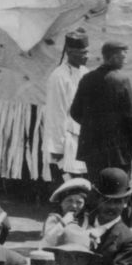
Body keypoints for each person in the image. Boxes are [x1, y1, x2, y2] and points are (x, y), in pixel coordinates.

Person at [70, 39, 132, 177]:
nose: (125, 61)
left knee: (96, 187)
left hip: (92, 148)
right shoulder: (122, 80)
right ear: (114, 57)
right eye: (123, 57)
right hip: (118, 150)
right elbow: (131, 118)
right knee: (118, 189)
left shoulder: (87, 78)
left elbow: (75, 112)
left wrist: (92, 125)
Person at [45, 32, 89, 175]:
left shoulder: (85, 72)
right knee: (69, 182)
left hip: (83, 138)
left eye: (87, 52)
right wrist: (57, 148)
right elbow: (56, 114)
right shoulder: (58, 76)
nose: (86, 56)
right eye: (82, 53)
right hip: (67, 141)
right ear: (70, 52)